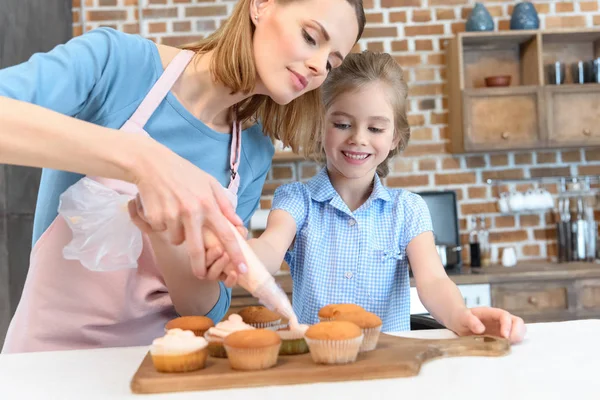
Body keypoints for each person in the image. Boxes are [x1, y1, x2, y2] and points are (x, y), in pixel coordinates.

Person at [0, 0, 366, 353]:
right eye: (311, 37)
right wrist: (143, 161)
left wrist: (172, 242)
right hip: (44, 367)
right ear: (261, 5)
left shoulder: (252, 153)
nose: (319, 66)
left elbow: (205, 311)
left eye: (332, 63)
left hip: (158, 369)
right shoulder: (117, 65)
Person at [236, 51, 526, 343]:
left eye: (375, 128)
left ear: (395, 137)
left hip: (389, 362)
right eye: (342, 124)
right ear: (319, 127)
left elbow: (434, 281)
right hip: (318, 363)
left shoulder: (407, 209)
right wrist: (239, 253)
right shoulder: (297, 200)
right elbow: (270, 250)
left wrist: (462, 317)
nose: (359, 138)